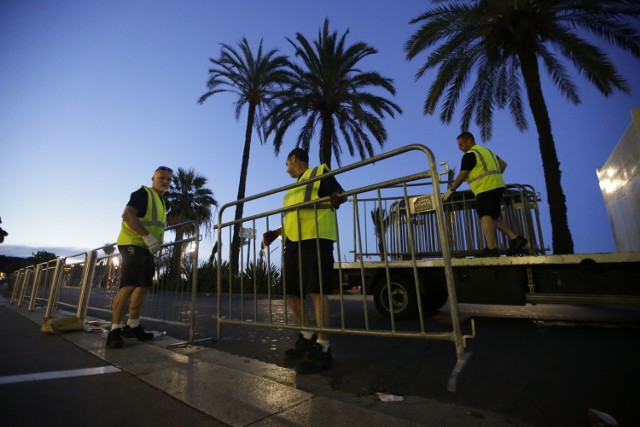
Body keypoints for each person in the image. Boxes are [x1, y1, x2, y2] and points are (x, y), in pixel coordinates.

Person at [262, 148, 346, 374]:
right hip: (293, 243)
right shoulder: (293, 188)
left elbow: (339, 194)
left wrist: (337, 198)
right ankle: (307, 336)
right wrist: (276, 233)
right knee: (293, 293)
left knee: (317, 292)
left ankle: (323, 347)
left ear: (293, 159)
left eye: (287, 164)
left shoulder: (319, 172)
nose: (286, 168)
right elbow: (294, 215)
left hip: (316, 239)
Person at [106, 166, 173, 349]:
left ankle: (132, 326)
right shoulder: (143, 193)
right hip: (132, 243)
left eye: (168, 179)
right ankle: (114, 331)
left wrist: (151, 241)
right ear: (153, 178)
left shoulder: (162, 201)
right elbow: (127, 215)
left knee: (143, 286)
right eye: (161, 178)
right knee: (128, 285)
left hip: (147, 248)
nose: (165, 181)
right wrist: (146, 236)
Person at [442, 132, 527, 257]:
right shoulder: (487, 151)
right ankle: (515, 238)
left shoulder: (470, 155)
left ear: (469, 141)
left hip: (484, 188)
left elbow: (461, 176)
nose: (459, 148)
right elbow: (503, 165)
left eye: (461, 144)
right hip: (497, 186)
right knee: (492, 218)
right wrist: (494, 177)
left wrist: (451, 190)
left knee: (485, 216)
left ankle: (492, 248)